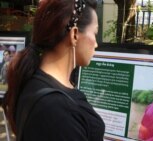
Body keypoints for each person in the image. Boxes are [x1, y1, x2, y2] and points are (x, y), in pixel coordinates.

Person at [3, 0, 105, 141]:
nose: (96, 43)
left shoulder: (31, 80)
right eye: (95, 33)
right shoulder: (58, 111)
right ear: (74, 35)